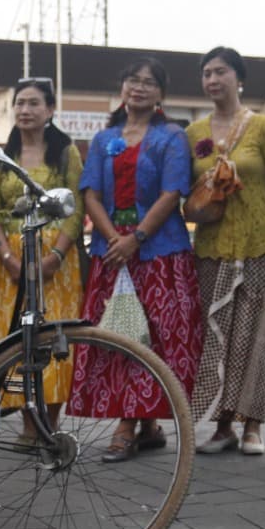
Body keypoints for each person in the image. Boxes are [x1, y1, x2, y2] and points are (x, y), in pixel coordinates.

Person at [71, 57, 203, 462]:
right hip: (113, 255)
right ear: (123, 88)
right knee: (121, 334)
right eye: (133, 80)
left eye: (149, 82)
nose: (140, 87)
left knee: (158, 337)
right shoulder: (103, 139)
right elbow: (90, 194)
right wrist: (116, 239)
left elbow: (172, 193)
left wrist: (137, 238)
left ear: (161, 93)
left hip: (160, 253)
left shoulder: (172, 137)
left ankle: (136, 425)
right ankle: (137, 425)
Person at [187, 47, 265, 455]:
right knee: (216, 335)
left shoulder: (262, 126)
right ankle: (223, 424)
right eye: (207, 73)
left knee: (255, 335)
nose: (212, 80)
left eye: (220, 71)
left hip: (261, 244)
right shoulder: (194, 132)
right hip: (212, 246)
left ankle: (253, 425)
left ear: (239, 78)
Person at [0, 80, 82, 428]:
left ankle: (49, 423)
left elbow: (76, 209)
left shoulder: (67, 153)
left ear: (50, 110)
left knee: (54, 338)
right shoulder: (0, 157)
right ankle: (27, 424)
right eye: (20, 103)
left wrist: (56, 257)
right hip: (9, 262)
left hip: (56, 262)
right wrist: (9, 259)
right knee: (12, 339)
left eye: (34, 103)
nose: (25, 110)